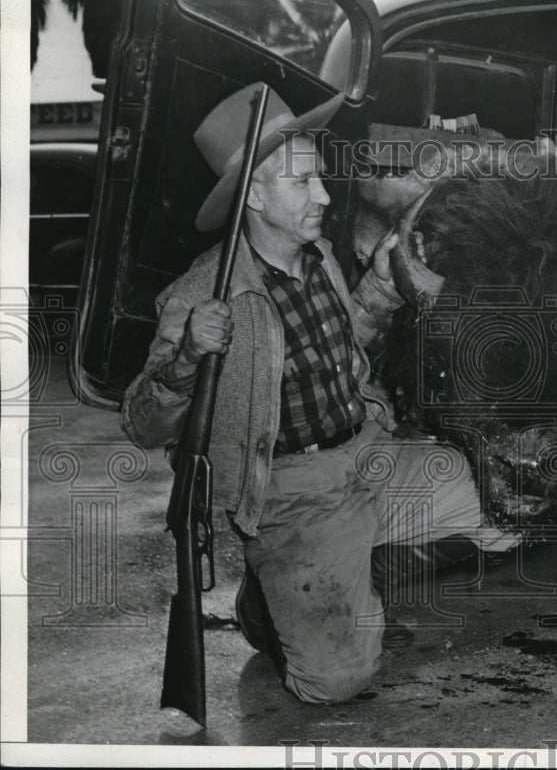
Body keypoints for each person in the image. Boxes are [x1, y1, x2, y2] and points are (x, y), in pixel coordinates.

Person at [121, 84, 516, 704]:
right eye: (303, 184)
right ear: (253, 196)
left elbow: (338, 353)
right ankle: (267, 607)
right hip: (293, 496)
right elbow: (143, 424)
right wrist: (188, 358)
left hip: (367, 456)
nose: (325, 197)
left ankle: (347, 572)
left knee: (505, 508)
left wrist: (381, 288)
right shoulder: (200, 293)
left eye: (320, 180)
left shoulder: (324, 258)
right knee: (335, 684)